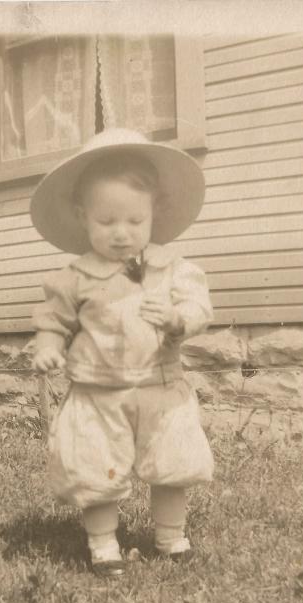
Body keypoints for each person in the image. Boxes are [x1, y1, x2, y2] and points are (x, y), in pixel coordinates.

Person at [30, 128, 214, 577]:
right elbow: (54, 321)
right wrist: (49, 347)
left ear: (154, 214)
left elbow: (197, 306)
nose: (120, 233)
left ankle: (172, 538)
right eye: (106, 221)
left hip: (160, 385)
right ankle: (103, 546)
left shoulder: (173, 267)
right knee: (96, 469)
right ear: (82, 216)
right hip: (97, 392)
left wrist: (175, 319)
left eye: (134, 222)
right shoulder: (75, 276)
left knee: (171, 463)